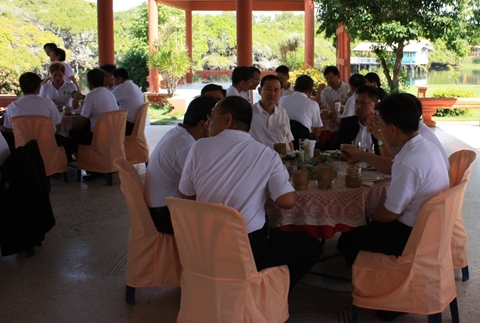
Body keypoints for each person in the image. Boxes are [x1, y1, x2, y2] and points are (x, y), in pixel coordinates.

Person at [179, 96, 323, 291]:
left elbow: (186, 194)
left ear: (227, 119)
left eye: (212, 116)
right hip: (247, 248)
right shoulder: (266, 154)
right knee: (312, 248)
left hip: (204, 244)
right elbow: (286, 201)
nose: (208, 122)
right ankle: (269, 294)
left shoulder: (199, 147)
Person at [337, 93, 449, 269]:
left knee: (346, 241)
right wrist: (360, 154)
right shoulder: (427, 146)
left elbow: (389, 214)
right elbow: (391, 166)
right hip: (431, 228)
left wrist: (367, 218)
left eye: (381, 126)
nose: (380, 131)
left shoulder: (408, 161)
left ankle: (374, 278)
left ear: (393, 130)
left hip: (410, 234)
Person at [145, 95, 218, 234]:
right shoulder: (185, 147)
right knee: (223, 219)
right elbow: (202, 190)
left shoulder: (180, 134)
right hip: (164, 214)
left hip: (163, 207)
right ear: (204, 125)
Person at [340, 93, 450, 174]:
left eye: (382, 119)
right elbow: (389, 161)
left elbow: (391, 166)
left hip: (427, 199)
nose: (378, 118)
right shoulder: (411, 133)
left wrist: (379, 137)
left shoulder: (419, 140)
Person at [65, 69, 119, 168]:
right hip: (113, 134)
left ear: (89, 83)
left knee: (71, 137)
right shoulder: (110, 94)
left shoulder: (91, 96)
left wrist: (72, 130)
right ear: (103, 81)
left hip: (97, 136)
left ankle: (88, 165)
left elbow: (83, 120)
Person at [324, 86, 379, 152]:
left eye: (363, 102)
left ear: (375, 105)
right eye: (356, 102)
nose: (358, 106)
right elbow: (335, 148)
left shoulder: (383, 126)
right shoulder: (347, 123)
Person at [249, 75, 294, 150]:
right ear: (260, 91)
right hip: (261, 154)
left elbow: (288, 139)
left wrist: (293, 154)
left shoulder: (282, 112)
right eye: (268, 89)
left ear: (280, 93)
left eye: (276, 90)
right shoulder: (250, 112)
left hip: (283, 155)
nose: (272, 93)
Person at [279, 75, 323, 140]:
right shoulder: (313, 104)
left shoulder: (282, 99)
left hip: (283, 139)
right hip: (302, 141)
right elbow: (317, 130)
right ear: (310, 90)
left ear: (294, 88)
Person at [111, 68, 145, 136]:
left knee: (104, 126)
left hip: (129, 125)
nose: (113, 83)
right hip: (135, 123)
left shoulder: (122, 87)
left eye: (114, 79)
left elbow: (108, 99)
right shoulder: (134, 85)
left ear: (119, 78)